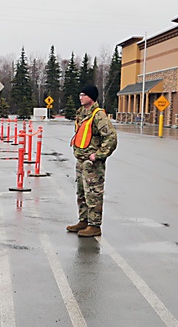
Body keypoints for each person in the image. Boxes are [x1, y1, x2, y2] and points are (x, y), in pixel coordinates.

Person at [67, 84, 117, 238]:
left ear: (91, 97)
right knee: (82, 192)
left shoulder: (98, 115)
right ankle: (84, 220)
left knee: (93, 193)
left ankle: (94, 225)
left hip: (92, 163)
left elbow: (111, 137)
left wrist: (99, 155)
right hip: (81, 161)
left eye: (83, 95)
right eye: (80, 95)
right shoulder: (82, 113)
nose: (80, 97)